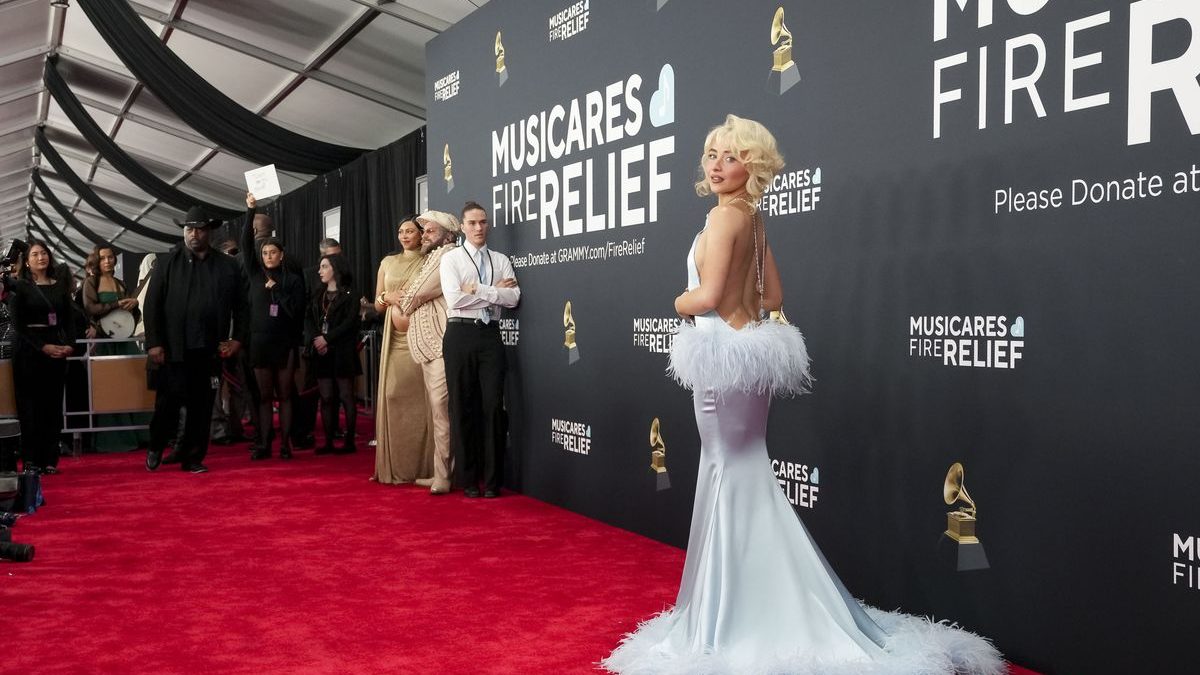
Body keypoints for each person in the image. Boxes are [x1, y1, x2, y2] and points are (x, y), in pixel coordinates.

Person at [602, 116, 1004, 674]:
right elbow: (775, 297)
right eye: (712, 154)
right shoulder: (753, 219)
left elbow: (710, 296)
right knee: (743, 474)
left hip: (721, 355)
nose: (716, 165)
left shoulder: (724, 217)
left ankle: (732, 615)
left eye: (731, 156)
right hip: (748, 355)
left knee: (725, 474)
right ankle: (764, 602)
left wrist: (678, 301)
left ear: (753, 166)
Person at [143, 206, 249, 474]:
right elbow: (152, 305)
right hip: (173, 349)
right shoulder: (167, 263)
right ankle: (156, 445)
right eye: (189, 228)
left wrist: (237, 339)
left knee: (202, 407)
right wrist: (154, 343)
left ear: (209, 231)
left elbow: (242, 306)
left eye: (199, 228)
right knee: (167, 404)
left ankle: (193, 458)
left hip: (209, 349)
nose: (193, 234)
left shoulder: (227, 266)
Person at [440, 201, 520, 498]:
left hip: (489, 336)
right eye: (472, 223)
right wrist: (493, 293)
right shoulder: (451, 260)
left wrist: (478, 290)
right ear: (462, 227)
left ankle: (493, 480)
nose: (478, 228)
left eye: (483, 222)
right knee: (462, 405)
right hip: (459, 333)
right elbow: (454, 300)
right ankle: (469, 479)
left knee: (493, 407)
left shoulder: (500, 259)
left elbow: (513, 298)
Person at [395, 211, 460, 494]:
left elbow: (415, 293)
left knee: (442, 413)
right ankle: (439, 472)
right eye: (425, 231)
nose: (424, 235)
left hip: (441, 344)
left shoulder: (446, 255)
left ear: (448, 234)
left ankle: (444, 476)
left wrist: (403, 300)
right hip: (430, 347)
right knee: (438, 413)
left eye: (431, 231)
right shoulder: (433, 256)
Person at [371, 216, 436, 484]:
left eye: (410, 230)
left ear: (421, 234)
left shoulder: (431, 261)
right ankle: (395, 466)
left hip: (423, 336)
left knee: (425, 400)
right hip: (394, 340)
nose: (404, 235)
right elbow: (376, 303)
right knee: (392, 394)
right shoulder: (388, 262)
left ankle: (425, 469)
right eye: (401, 231)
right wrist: (388, 297)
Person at [241, 193, 306, 460]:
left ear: (282, 255)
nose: (268, 256)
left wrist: (277, 290)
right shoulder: (255, 274)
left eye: (273, 252)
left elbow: (296, 311)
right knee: (265, 396)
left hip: (285, 343)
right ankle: (266, 444)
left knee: (286, 395)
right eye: (265, 252)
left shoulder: (292, 281)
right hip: (259, 342)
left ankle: (285, 445)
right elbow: (246, 243)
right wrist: (250, 210)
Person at [7, 240, 75, 474]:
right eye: (34, 254)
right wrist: (43, 346)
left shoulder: (60, 285)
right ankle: (30, 460)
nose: (40, 257)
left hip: (56, 348)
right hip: (28, 349)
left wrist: (69, 345)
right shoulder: (20, 287)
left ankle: (49, 459)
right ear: (26, 261)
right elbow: (18, 325)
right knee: (29, 406)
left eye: (44, 253)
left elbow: (70, 319)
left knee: (53, 405)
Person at [83, 244, 150, 453]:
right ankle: (114, 438)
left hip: (125, 339)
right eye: (103, 258)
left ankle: (142, 434)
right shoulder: (90, 283)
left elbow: (131, 315)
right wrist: (117, 305)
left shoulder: (121, 283)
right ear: (96, 260)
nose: (107, 261)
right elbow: (90, 308)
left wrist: (134, 306)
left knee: (134, 384)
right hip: (105, 342)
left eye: (110, 257)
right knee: (110, 387)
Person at [305, 253, 360, 455]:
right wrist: (317, 339)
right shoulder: (318, 294)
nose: (320, 271)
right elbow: (309, 319)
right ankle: (328, 441)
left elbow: (350, 323)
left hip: (342, 351)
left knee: (346, 396)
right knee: (326, 397)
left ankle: (349, 441)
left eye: (324, 266)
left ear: (335, 269)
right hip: (322, 352)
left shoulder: (350, 295)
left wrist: (327, 339)